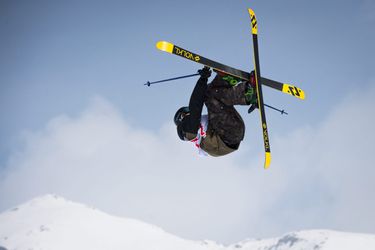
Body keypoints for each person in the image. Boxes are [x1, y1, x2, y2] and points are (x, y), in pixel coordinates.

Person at [174, 66, 258, 156]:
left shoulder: (203, 125)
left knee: (209, 93)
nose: (188, 112)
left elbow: (205, 101)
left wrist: (204, 78)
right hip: (227, 136)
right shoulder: (187, 131)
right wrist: (203, 79)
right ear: (181, 118)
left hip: (231, 131)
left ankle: (226, 79)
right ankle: (247, 94)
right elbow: (195, 106)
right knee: (211, 98)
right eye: (185, 112)